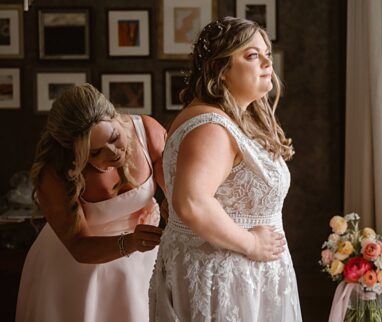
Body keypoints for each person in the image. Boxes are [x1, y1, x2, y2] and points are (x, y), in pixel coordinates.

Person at [149, 17, 301, 321]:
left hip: (238, 275)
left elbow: (168, 178)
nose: (267, 63)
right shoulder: (211, 127)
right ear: (220, 69)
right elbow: (191, 202)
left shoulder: (222, 119)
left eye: (267, 53)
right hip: (227, 280)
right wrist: (251, 243)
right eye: (252, 55)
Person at [16, 84, 166, 321]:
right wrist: (131, 242)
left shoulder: (147, 131)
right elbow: (78, 246)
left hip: (144, 257)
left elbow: (176, 187)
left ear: (115, 116)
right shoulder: (55, 172)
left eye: (114, 138)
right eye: (95, 153)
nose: (113, 153)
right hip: (78, 268)